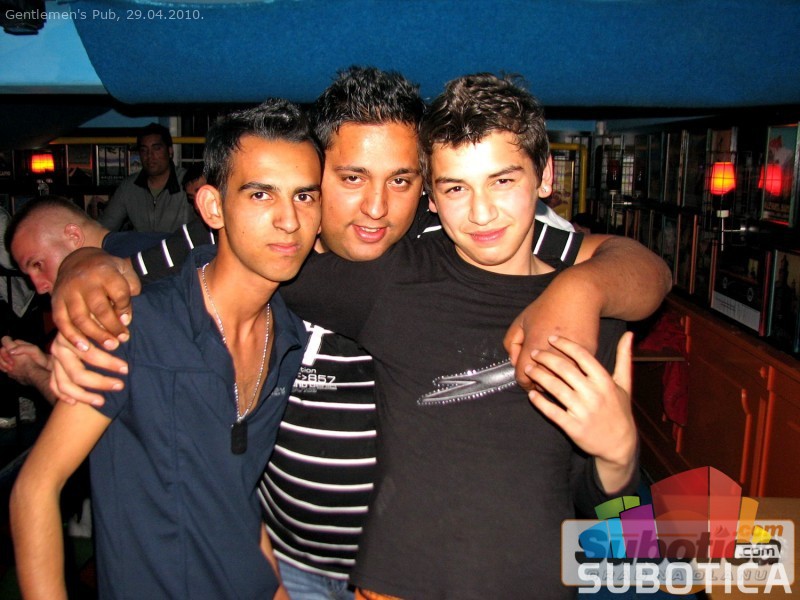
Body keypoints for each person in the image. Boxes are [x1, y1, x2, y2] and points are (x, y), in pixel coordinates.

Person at [45, 67, 670, 598]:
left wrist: (621, 451)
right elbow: (150, 256)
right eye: (351, 178)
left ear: (544, 179)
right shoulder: (326, 262)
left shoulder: (572, 302)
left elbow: (625, 543)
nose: (377, 207)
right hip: (308, 569)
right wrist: (83, 267)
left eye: (401, 180)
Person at [276, 72, 638, 598]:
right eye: (456, 188)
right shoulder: (392, 281)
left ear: (545, 176)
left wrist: (619, 455)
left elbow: (615, 533)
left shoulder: (593, 317)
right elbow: (250, 257)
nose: (481, 212)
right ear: (432, 197)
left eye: (502, 181)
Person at [11, 98, 323, 599]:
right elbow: (35, 489)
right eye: (261, 194)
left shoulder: (288, 336)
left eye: (304, 196)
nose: (289, 219)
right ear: (213, 207)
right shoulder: (136, 325)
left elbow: (236, 493)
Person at [1, 196, 168, 403]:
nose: (39, 287)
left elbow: (98, 406)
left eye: (38, 265)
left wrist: (31, 372)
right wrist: (49, 363)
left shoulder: (117, 285)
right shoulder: (152, 247)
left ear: (74, 236)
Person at [99, 123, 197, 233]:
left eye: (156, 149)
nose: (150, 155)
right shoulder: (129, 187)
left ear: (170, 151)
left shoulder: (188, 183)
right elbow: (105, 227)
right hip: (141, 245)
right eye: (144, 150)